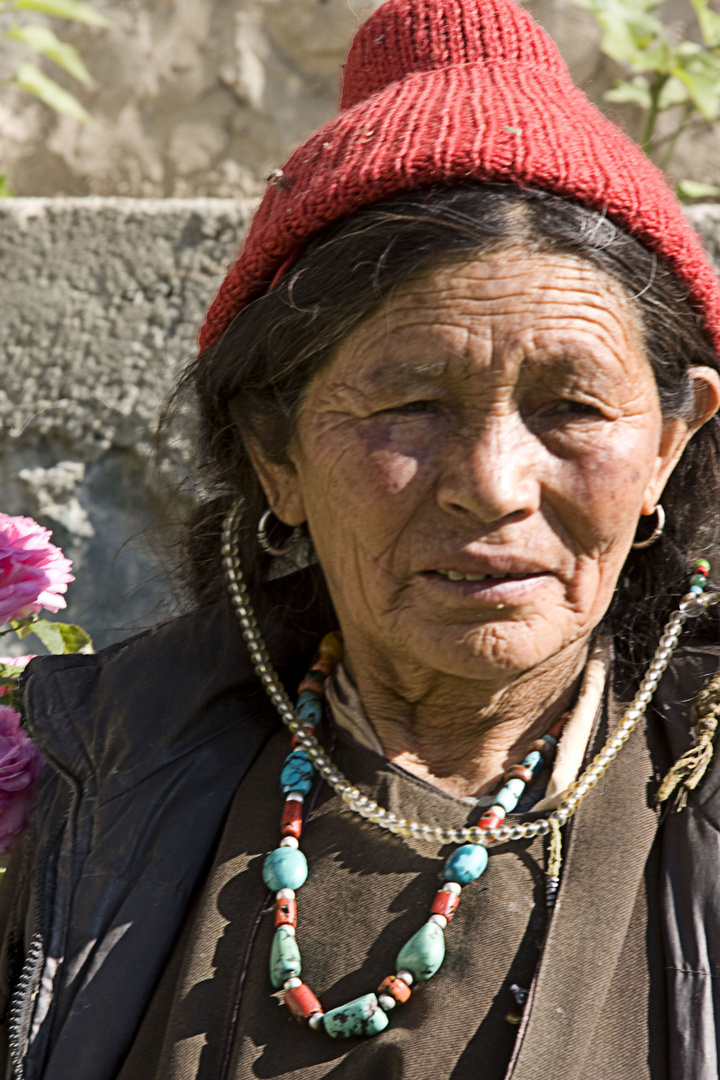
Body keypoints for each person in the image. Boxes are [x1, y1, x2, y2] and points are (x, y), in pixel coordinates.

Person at [2, 0, 720, 1077]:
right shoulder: (94, 780)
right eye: (411, 406)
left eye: (571, 407)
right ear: (274, 453)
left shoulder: (694, 801)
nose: (492, 487)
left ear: (670, 442)